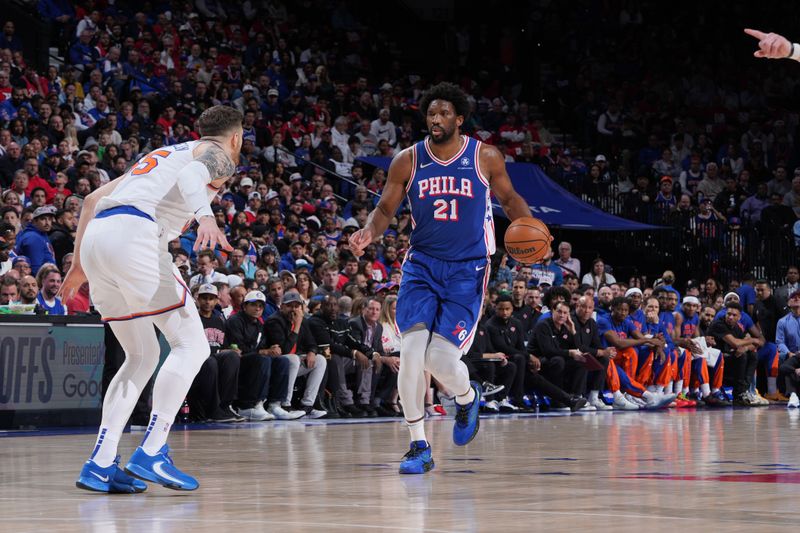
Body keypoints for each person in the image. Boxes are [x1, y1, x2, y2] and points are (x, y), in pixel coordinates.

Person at [349, 82, 535, 475]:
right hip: (422, 266)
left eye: (444, 113)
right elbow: (384, 209)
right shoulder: (408, 159)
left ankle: (467, 397)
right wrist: (369, 230)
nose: (436, 119)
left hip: (467, 270)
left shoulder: (484, 156)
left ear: (460, 119)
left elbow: (509, 199)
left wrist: (532, 225)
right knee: (412, 354)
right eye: (431, 113)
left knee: (440, 358)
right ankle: (419, 445)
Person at [61, 106, 243, 493]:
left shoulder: (163, 154)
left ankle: (101, 462)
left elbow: (92, 199)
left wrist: (79, 265)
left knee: (141, 356)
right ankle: (153, 449)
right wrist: (205, 216)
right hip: (135, 236)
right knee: (192, 347)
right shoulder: (217, 155)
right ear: (236, 136)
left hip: (98, 239)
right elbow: (195, 177)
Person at [263, 291, 326, 419]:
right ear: (282, 307)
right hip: (276, 364)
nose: (294, 309)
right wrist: (296, 325)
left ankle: (307, 406)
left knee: (320, 360)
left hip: (293, 365)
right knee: (292, 359)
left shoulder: (302, 321)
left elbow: (312, 342)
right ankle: (285, 404)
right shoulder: (274, 321)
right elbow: (284, 350)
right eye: (289, 306)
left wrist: (312, 352)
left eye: (296, 306)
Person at [707, 302, 760, 407]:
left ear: (739, 317)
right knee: (742, 356)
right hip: (715, 361)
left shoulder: (737, 328)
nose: (730, 317)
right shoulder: (718, 324)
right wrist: (751, 339)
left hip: (728, 359)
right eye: (728, 314)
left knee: (753, 355)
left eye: (734, 315)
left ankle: (744, 391)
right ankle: (738, 394)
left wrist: (745, 347)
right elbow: (735, 343)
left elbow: (755, 344)